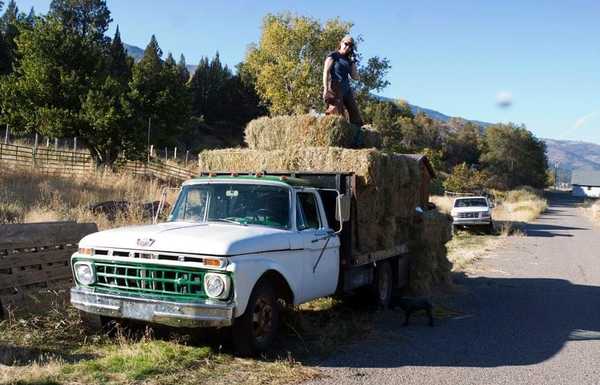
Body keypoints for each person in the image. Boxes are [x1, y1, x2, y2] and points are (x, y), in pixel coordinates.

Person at [322, 35, 363, 126]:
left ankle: (356, 137)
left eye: (350, 46)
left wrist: (353, 62)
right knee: (336, 115)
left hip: (346, 89)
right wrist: (326, 89)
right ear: (341, 43)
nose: (348, 47)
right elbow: (326, 72)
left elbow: (355, 77)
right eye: (346, 44)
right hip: (335, 86)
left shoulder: (349, 60)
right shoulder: (333, 55)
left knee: (355, 114)